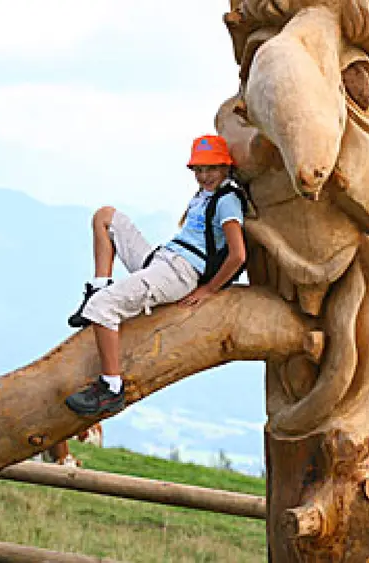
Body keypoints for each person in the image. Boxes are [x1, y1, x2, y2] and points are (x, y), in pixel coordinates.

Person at [64, 134, 249, 417]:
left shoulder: (227, 200)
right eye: (198, 170)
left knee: (103, 308)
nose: (204, 175)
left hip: (180, 272)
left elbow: (238, 255)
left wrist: (209, 289)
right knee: (105, 216)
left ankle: (111, 388)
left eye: (211, 168)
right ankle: (98, 286)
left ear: (226, 167)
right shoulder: (204, 195)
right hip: (162, 260)